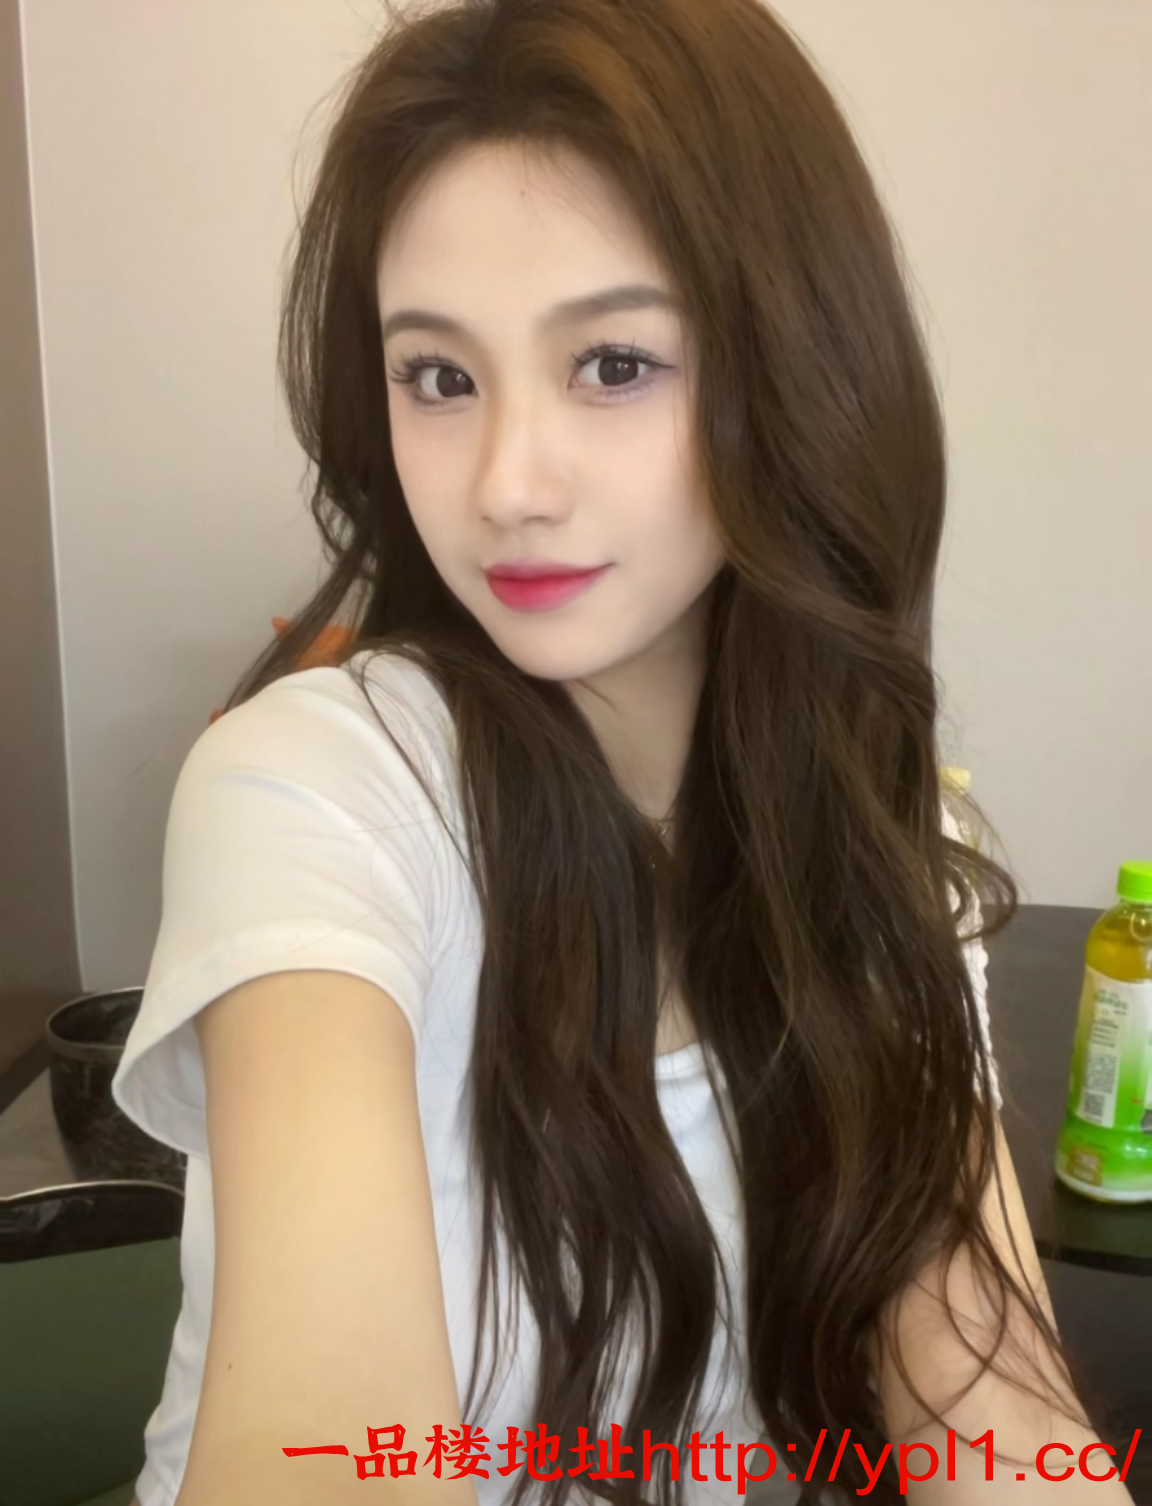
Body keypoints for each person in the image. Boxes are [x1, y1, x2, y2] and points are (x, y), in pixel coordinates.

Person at [113, 2, 1129, 1505]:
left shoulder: (874, 843)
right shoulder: (314, 790)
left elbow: (996, 1414)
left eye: (612, 362)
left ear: (795, 370)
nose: (508, 484)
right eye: (438, 377)